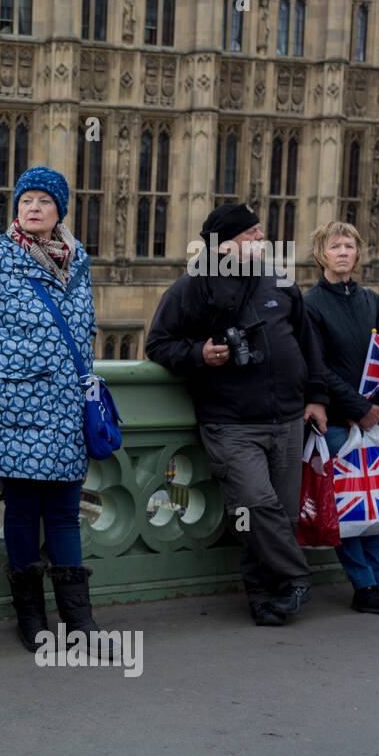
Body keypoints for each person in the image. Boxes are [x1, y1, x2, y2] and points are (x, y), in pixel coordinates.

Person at [146, 203, 328, 625]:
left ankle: (268, 598)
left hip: (287, 420)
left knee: (274, 516)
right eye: (252, 234)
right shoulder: (191, 287)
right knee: (254, 505)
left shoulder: (278, 279)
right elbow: (158, 344)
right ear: (224, 244)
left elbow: (307, 344)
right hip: (231, 422)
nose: (261, 240)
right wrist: (200, 354)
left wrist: (316, 396)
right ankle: (298, 577)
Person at [0, 166, 107, 653]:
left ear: (59, 210)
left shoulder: (77, 262)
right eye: (26, 201)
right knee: (22, 511)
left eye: (44, 200)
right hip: (15, 410)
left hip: (66, 410)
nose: (34, 208)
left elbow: (83, 333)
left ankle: (78, 620)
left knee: (65, 512)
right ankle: (32, 618)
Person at [303, 221, 379, 615]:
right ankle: (364, 586)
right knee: (350, 509)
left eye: (350, 246)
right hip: (339, 422)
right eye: (335, 246)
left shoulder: (371, 300)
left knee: (377, 507)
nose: (343, 252)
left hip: (373, 419)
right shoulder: (310, 304)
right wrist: (359, 409)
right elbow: (318, 369)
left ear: (358, 254)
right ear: (322, 253)